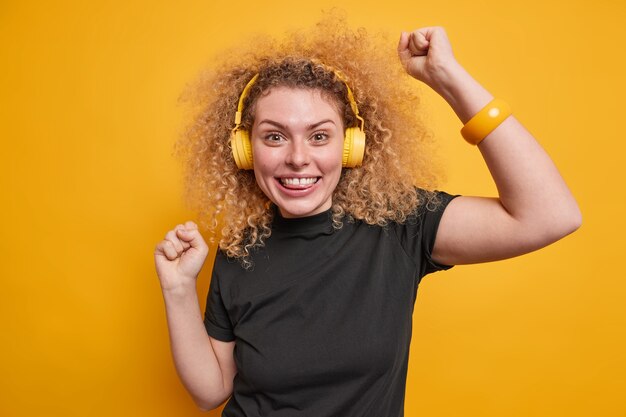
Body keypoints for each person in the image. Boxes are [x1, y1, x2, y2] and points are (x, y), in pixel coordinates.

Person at [154, 20, 581, 417]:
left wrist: (449, 79)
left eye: (319, 135)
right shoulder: (239, 247)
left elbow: (550, 215)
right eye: (274, 136)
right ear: (245, 151)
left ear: (351, 145)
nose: (298, 158)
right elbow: (211, 391)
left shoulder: (401, 225)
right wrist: (177, 288)